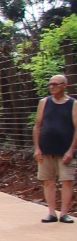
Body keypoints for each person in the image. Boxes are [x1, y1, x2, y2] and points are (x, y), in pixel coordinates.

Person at [32, 73, 77, 222]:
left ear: (65, 85)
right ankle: (51, 213)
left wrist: (71, 150)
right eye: (50, 84)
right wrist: (37, 148)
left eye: (56, 84)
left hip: (65, 149)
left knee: (66, 181)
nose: (52, 87)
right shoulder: (44, 102)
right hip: (46, 149)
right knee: (48, 180)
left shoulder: (73, 104)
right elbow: (37, 126)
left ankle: (64, 213)